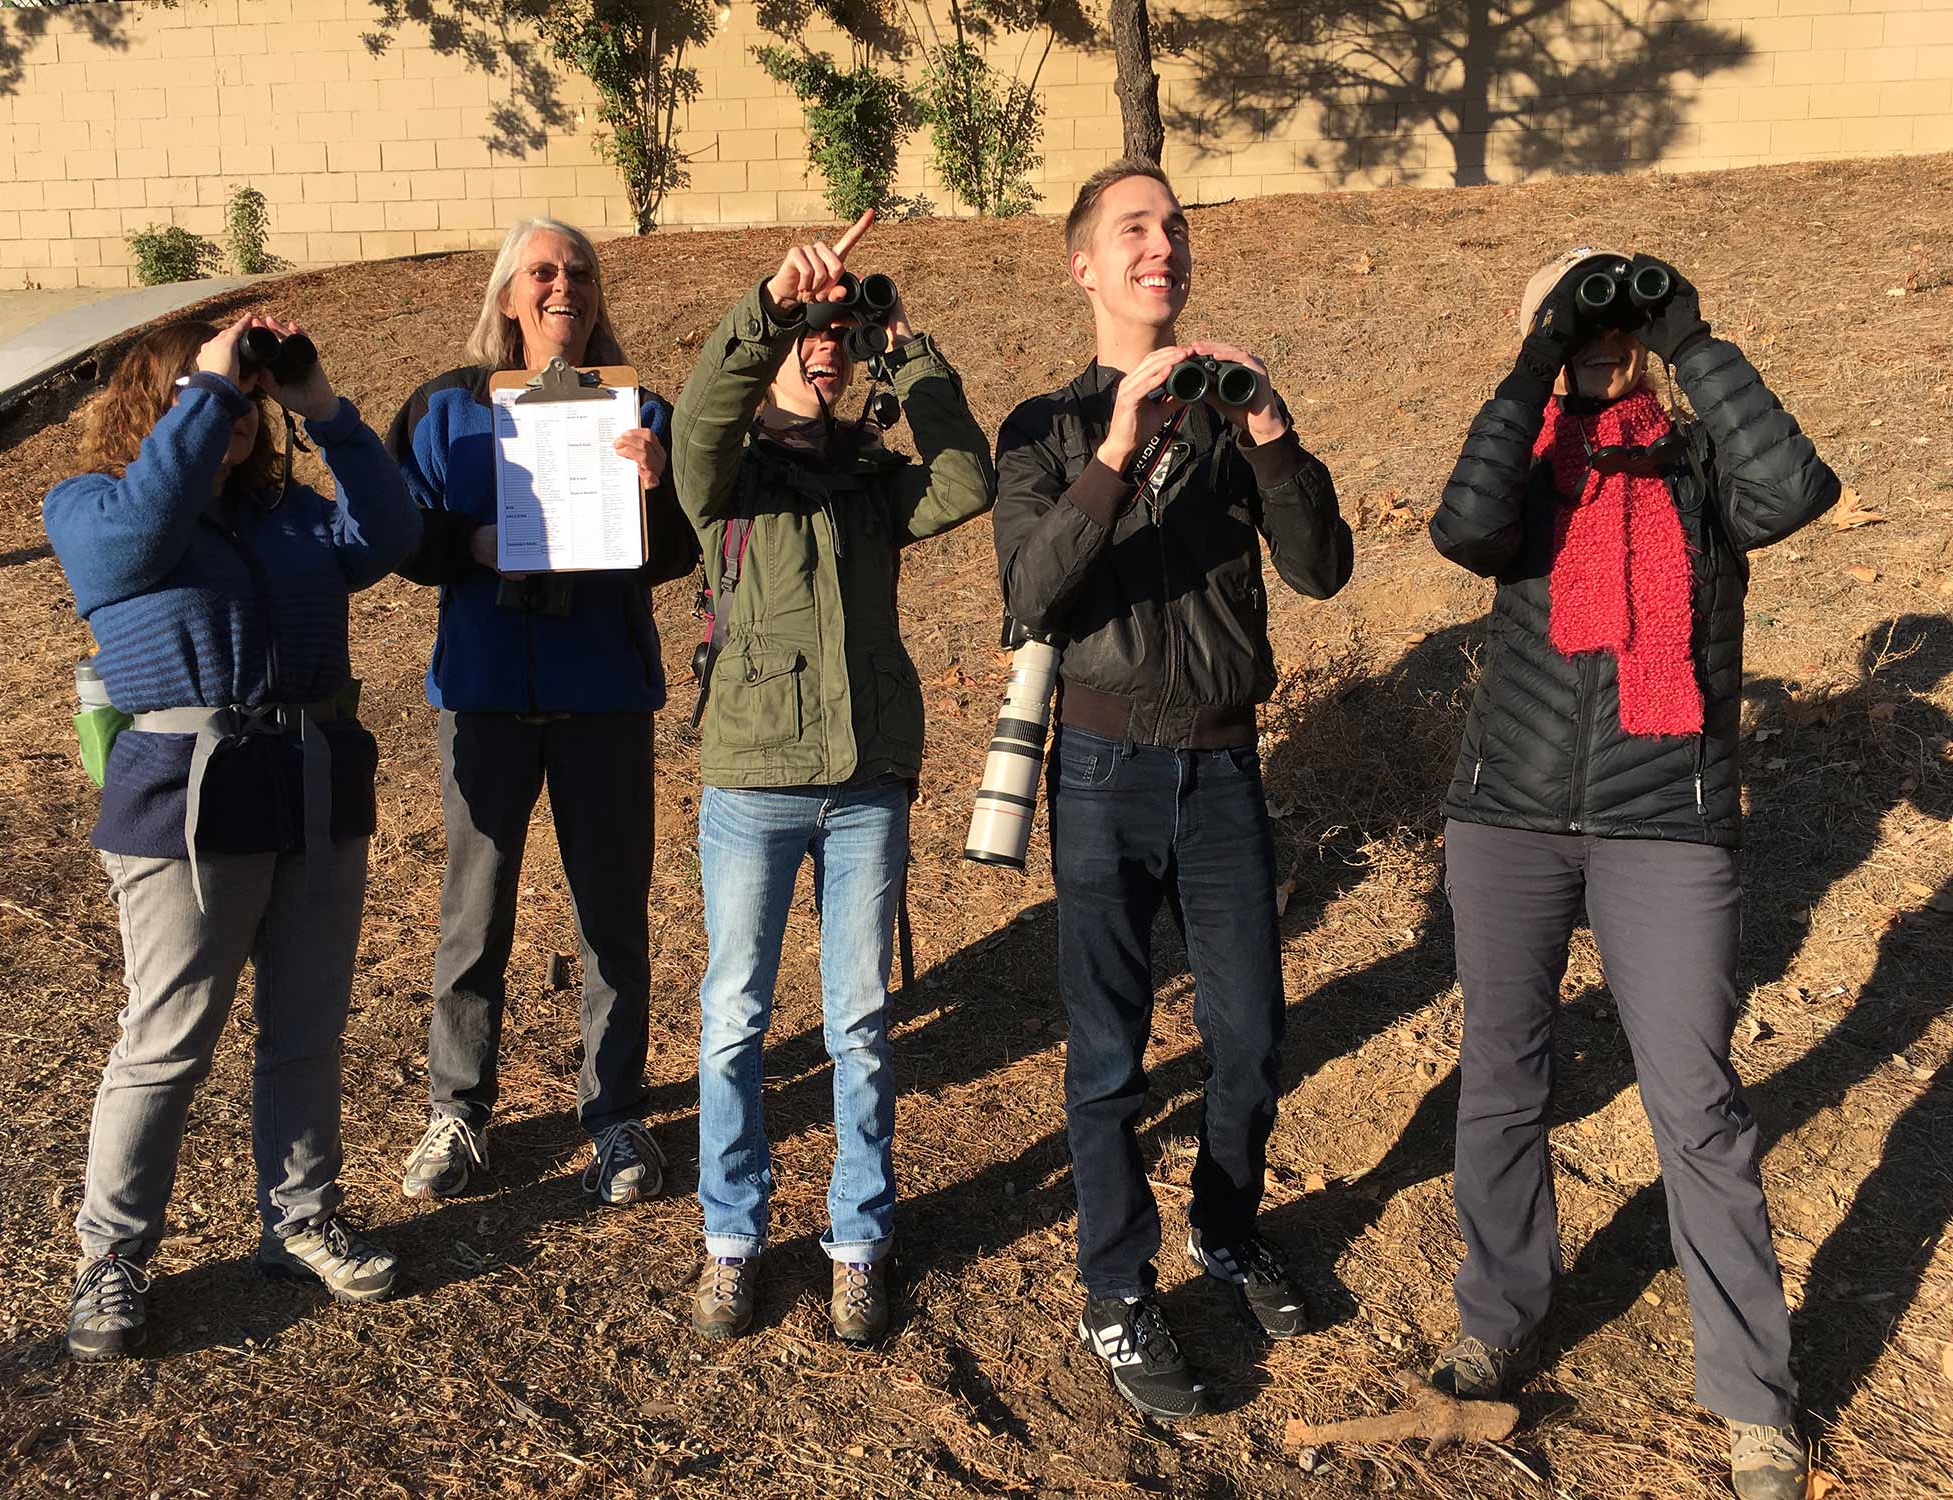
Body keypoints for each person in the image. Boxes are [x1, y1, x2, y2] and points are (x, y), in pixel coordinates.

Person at [1427, 247, 1841, 1500]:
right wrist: (1534, 359)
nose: (1601, 336)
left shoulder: (1698, 456)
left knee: (1696, 1104)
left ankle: (1753, 1401)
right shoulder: (1529, 458)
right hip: (1506, 818)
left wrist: (1693, 338)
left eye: (1617, 321)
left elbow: (1795, 491)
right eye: (1571, 315)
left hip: (1668, 820)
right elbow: (1463, 528)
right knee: (1501, 1078)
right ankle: (1497, 1320)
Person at [992, 160, 1354, 1419]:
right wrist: (1114, 446)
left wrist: (1266, 430)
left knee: (1250, 1034)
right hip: (1099, 768)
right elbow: (1031, 595)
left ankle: (1223, 1225)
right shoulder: (1040, 428)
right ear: (1083, 266)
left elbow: (1319, 571)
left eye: (1176, 229)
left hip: (1221, 759)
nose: (1163, 246)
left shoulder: (1229, 416)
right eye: (1133, 230)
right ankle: (1112, 1290)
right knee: (1109, 1053)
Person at [46, 314, 422, 1360]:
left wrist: (326, 412)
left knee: (305, 1032)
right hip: (182, 807)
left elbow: (389, 537)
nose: (239, 413)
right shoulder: (91, 510)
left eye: (245, 399)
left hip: (313, 790)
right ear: (153, 406)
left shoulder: (290, 517)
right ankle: (111, 1257)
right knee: (166, 1046)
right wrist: (205, 390)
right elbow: (131, 545)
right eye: (213, 395)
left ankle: (298, 1219)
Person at [671, 209, 994, 1346]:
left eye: (838, 338)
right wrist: (766, 306)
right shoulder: (722, 480)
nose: (827, 344)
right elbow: (703, 417)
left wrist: (904, 343)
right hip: (753, 779)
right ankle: (731, 1239)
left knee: (858, 1019)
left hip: (864, 785)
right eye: (809, 334)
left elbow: (965, 478)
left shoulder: (870, 483)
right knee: (734, 1018)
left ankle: (856, 1238)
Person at [385, 219, 698, 1207]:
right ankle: (458, 1112)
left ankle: (612, 1115)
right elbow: (394, 526)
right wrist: (464, 546)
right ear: (509, 293)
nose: (565, 285)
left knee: (611, 915)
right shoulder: (443, 408)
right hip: (483, 695)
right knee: (472, 917)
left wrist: (653, 484)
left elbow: (683, 546)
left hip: (601, 692)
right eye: (544, 272)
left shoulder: (640, 406)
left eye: (581, 272)